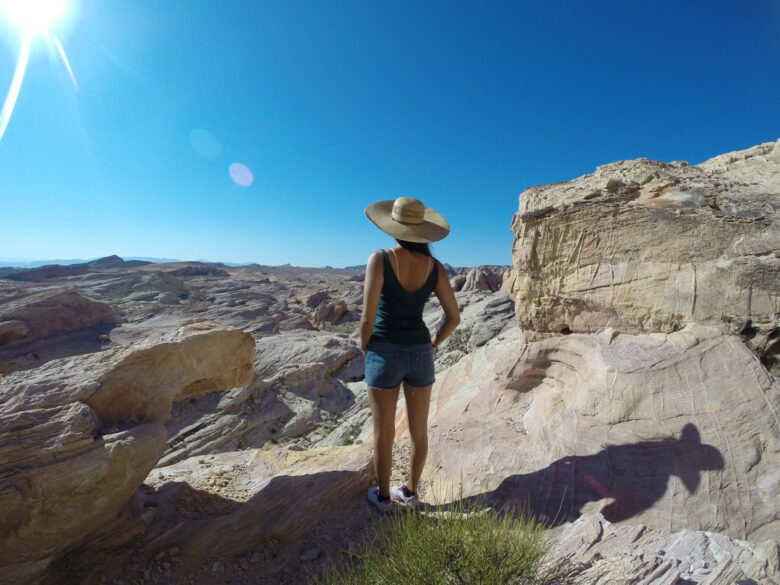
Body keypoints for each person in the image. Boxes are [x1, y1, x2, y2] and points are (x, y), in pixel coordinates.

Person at [360, 196, 461, 513]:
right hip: (420, 353)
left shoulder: (381, 258)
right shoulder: (434, 267)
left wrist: (366, 345)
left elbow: (367, 315)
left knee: (384, 433)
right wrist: (433, 344)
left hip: (384, 351)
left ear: (394, 226)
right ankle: (410, 492)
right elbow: (454, 317)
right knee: (418, 431)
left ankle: (384, 498)